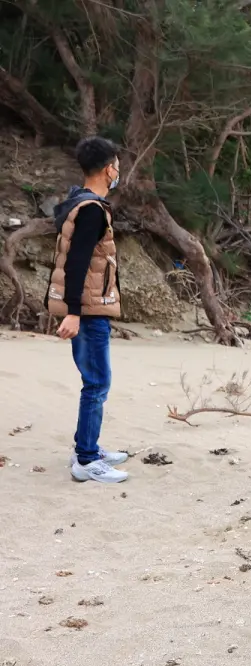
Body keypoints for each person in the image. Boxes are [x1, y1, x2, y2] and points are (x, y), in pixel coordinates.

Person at [46, 136, 130, 484]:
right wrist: (74, 312)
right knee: (97, 382)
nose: (118, 172)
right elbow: (78, 262)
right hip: (90, 312)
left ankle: (89, 447)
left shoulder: (78, 202)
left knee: (94, 381)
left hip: (89, 308)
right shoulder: (92, 209)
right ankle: (85, 460)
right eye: (117, 165)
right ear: (108, 167)